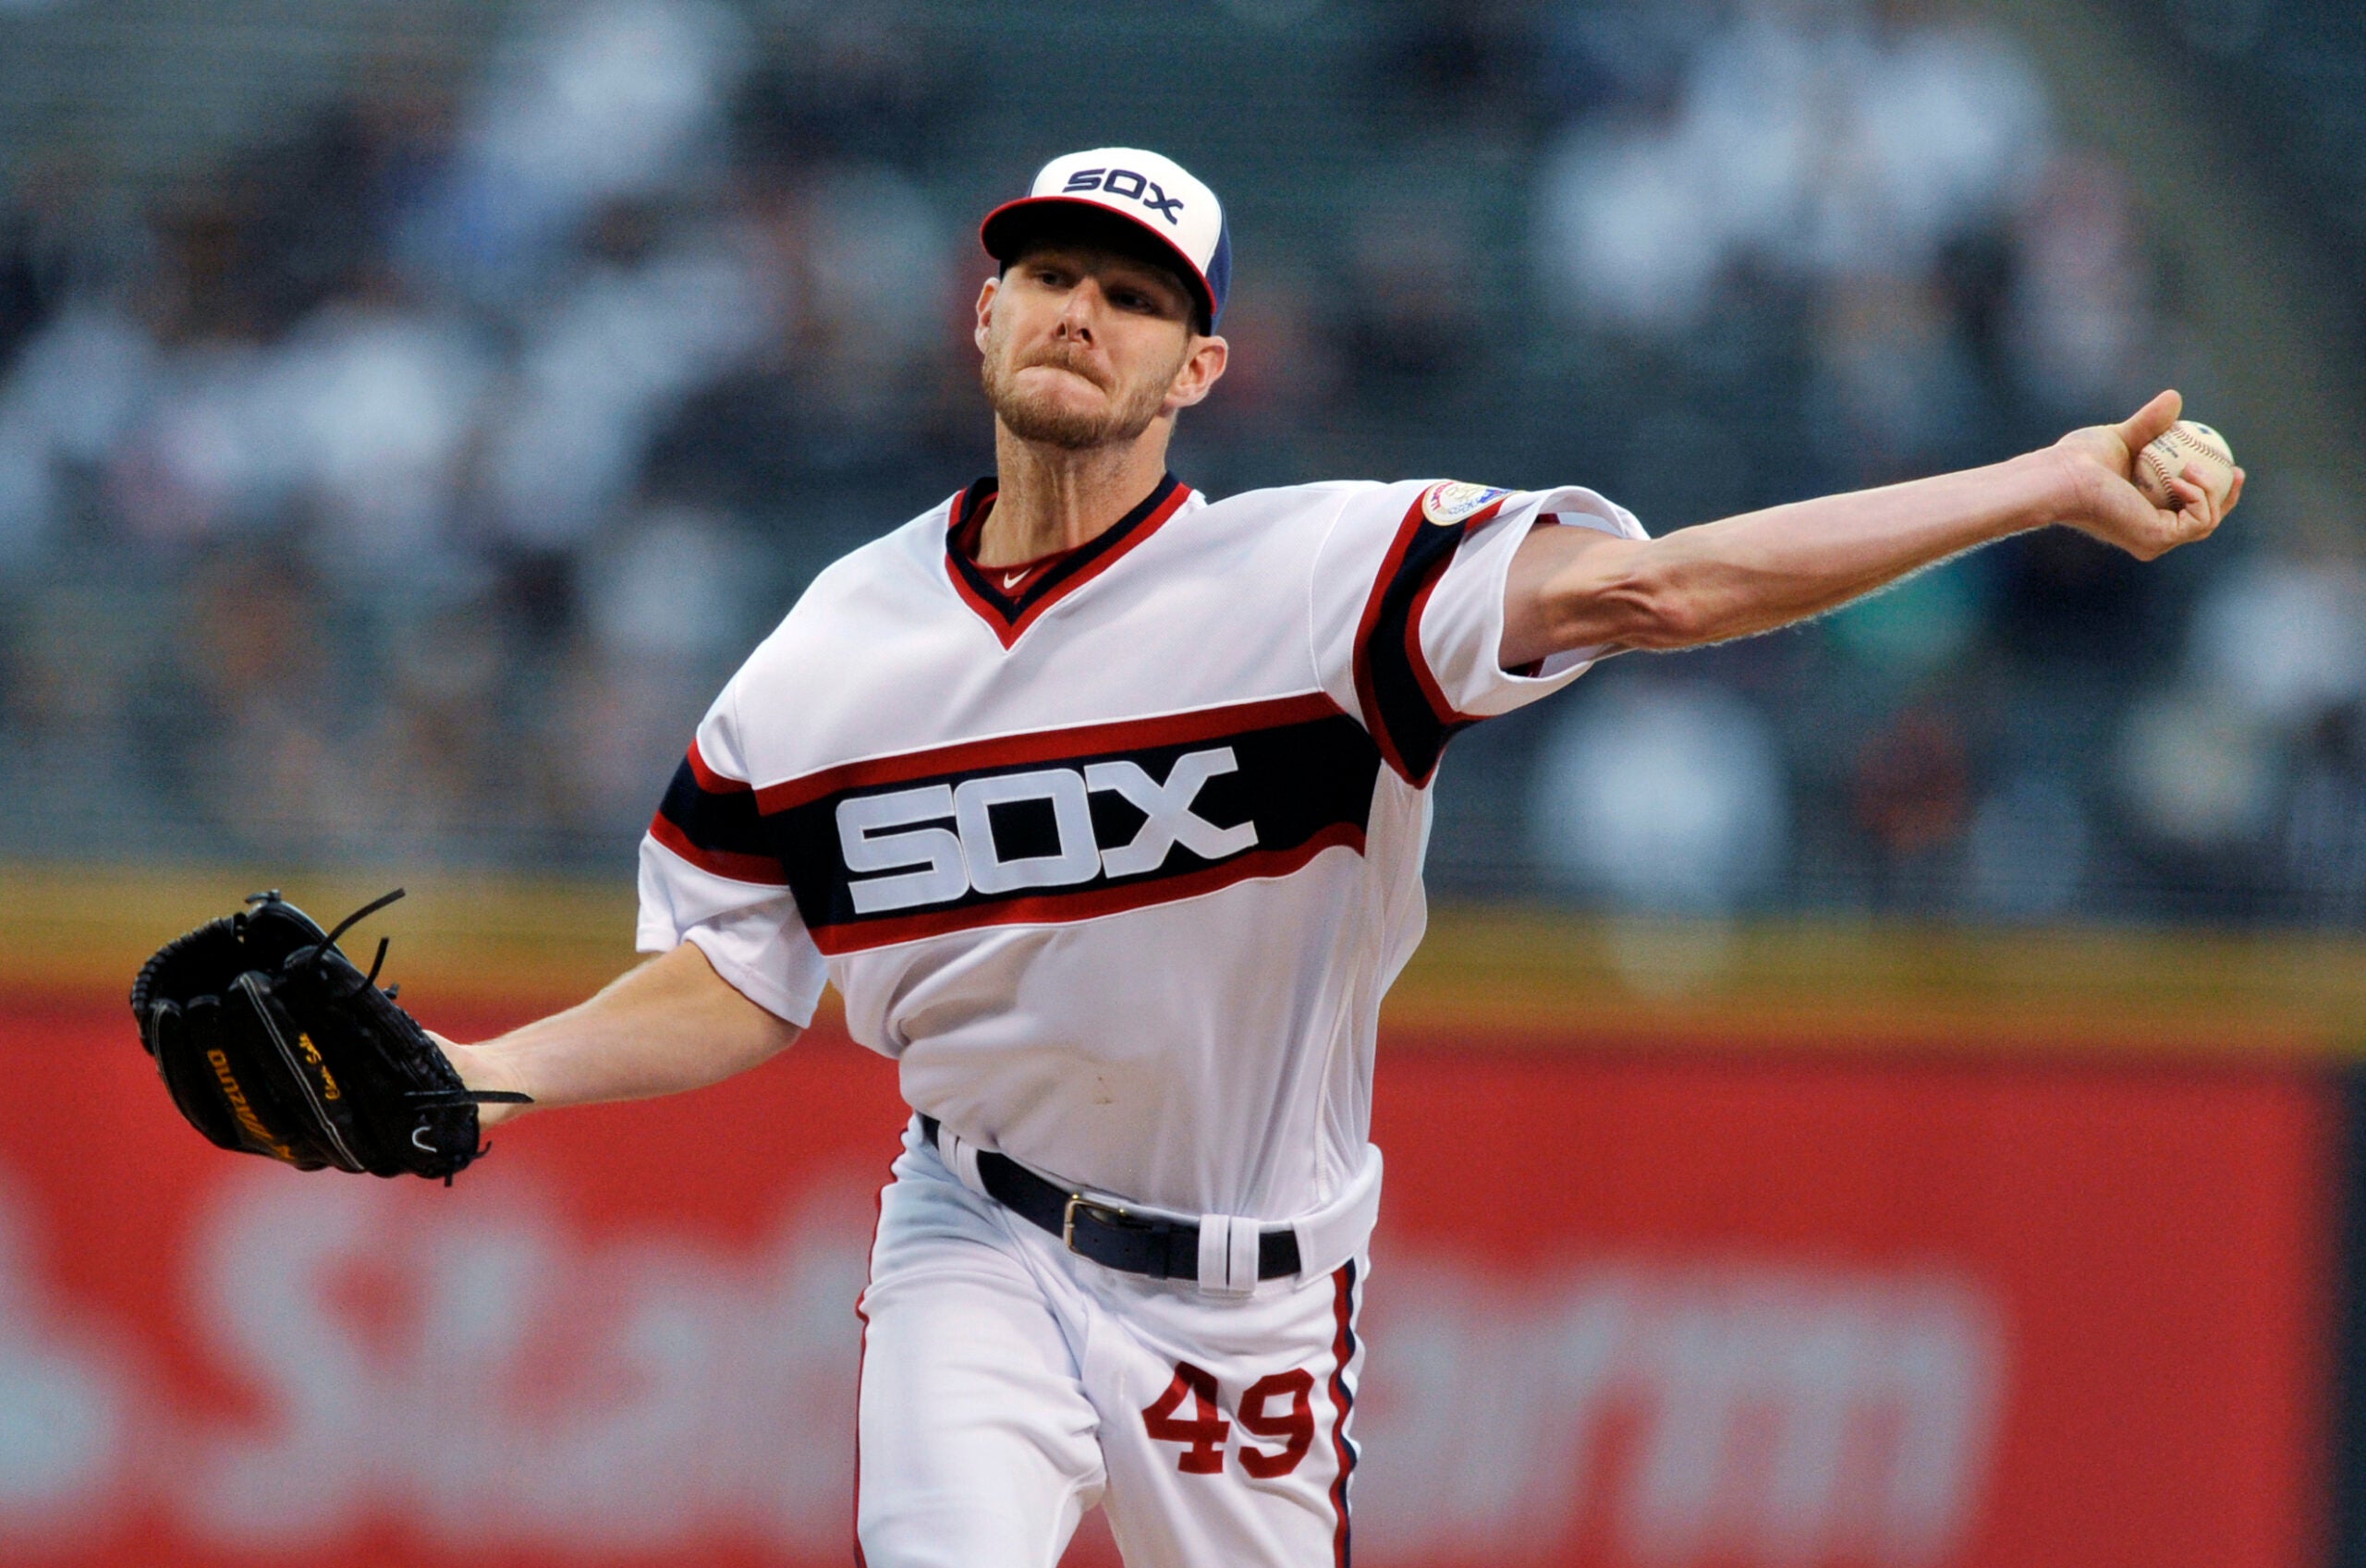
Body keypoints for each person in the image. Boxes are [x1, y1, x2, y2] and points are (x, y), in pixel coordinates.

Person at [439, 148, 2238, 1567]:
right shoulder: (830, 651)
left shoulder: (1326, 584)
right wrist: (492, 1071)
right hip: (970, 1230)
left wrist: (2043, 480)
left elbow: (1658, 582)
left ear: (1200, 363)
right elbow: (735, 973)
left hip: (1251, 1293)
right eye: (1051, 275)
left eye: (1134, 296)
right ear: (981, 316)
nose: (1083, 311)